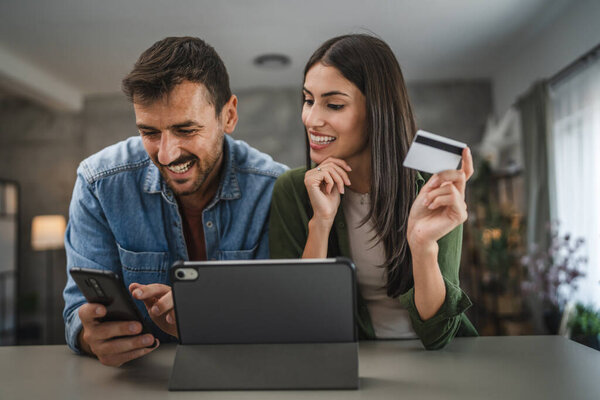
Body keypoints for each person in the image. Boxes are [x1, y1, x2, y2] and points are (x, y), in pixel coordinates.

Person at [63, 36, 288, 366]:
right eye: (150, 132)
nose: (166, 154)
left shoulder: (276, 190)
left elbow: (288, 318)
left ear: (228, 115)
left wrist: (208, 324)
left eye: (186, 130)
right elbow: (76, 311)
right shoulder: (98, 183)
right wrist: (89, 337)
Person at [269, 34, 477, 350]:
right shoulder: (293, 190)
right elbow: (298, 320)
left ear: (378, 110)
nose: (311, 119)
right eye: (308, 100)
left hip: (436, 359)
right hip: (352, 360)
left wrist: (422, 245)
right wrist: (320, 225)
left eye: (334, 104)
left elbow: (438, 335)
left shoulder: (433, 186)